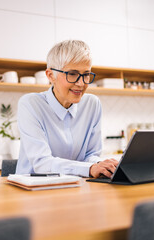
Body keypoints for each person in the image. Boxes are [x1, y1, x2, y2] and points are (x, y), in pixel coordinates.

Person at [15, 40, 118, 178]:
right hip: (33, 188)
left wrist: (101, 165)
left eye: (86, 74)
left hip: (75, 186)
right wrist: (90, 168)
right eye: (72, 74)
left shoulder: (92, 104)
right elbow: (41, 163)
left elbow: (91, 155)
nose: (81, 83)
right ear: (51, 76)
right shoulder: (30, 104)